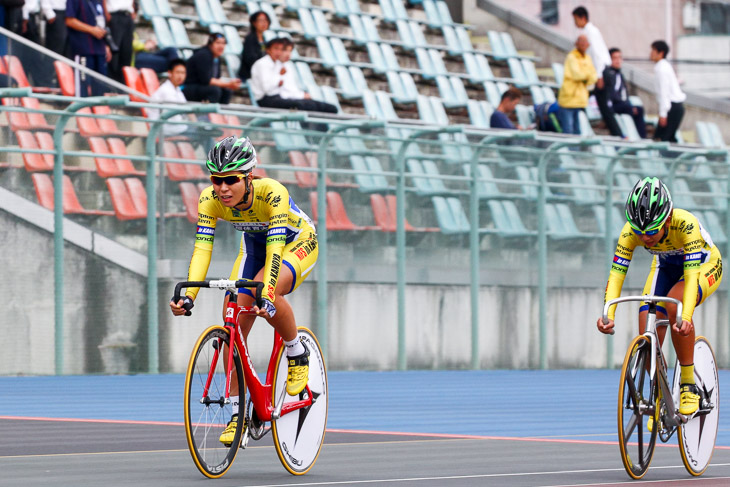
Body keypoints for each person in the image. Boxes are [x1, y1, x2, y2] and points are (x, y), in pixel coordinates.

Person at [169, 136, 318, 445]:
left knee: (267, 289)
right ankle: (239, 415)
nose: (222, 188)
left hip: (294, 245)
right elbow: (202, 249)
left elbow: (275, 248)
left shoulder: (273, 193)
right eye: (216, 179)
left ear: (249, 177)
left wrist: (267, 293)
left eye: (231, 180)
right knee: (231, 322)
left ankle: (296, 351)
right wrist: (188, 296)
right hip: (252, 251)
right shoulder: (209, 199)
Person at [597, 177, 722, 420]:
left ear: (668, 217)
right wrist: (607, 314)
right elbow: (616, 275)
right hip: (664, 266)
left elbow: (691, 273)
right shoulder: (630, 232)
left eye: (652, 231)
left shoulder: (685, 225)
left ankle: (688, 385)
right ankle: (661, 394)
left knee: (674, 308)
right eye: (639, 232)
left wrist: (685, 316)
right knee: (646, 327)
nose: (645, 238)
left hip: (702, 266)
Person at [250, 37, 338, 116]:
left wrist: (300, 95)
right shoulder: (262, 64)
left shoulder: (279, 65)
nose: (279, 52)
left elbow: (286, 90)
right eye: (276, 49)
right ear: (268, 50)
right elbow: (268, 89)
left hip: (280, 98)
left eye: (281, 49)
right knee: (302, 106)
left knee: (328, 108)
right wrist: (279, 75)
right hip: (266, 100)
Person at [572, 6, 622, 137]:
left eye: (576, 19)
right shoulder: (590, 32)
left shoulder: (591, 32)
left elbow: (597, 54)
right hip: (599, 73)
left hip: (601, 73)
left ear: (582, 18)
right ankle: (619, 135)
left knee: (581, 100)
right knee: (602, 107)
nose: (575, 23)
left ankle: (578, 129)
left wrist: (599, 76)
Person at [65, 0, 112, 97]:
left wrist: (106, 45)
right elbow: (69, 20)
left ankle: (99, 110)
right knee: (83, 87)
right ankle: (83, 111)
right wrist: (91, 30)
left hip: (99, 49)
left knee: (100, 87)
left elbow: (102, 24)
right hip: (83, 48)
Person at [183, 32, 240, 104]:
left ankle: (221, 114)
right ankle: (209, 114)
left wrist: (228, 85)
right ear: (210, 44)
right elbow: (207, 80)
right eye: (218, 43)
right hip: (188, 87)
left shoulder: (216, 58)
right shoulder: (204, 55)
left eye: (223, 43)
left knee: (226, 91)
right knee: (214, 90)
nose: (221, 46)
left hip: (201, 87)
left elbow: (216, 79)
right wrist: (229, 84)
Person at [557, 34, 596, 135]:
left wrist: (586, 76)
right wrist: (587, 75)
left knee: (577, 130)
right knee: (568, 130)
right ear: (576, 43)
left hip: (580, 100)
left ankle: (575, 150)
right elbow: (577, 74)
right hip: (568, 99)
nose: (583, 44)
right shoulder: (571, 57)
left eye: (585, 42)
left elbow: (594, 77)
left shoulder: (587, 58)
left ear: (588, 45)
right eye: (581, 42)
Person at [604, 47, 647, 138]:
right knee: (630, 108)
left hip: (623, 104)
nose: (618, 61)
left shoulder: (619, 74)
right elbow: (612, 94)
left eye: (619, 58)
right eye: (615, 58)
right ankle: (631, 137)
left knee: (638, 109)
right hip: (613, 106)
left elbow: (624, 93)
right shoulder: (608, 73)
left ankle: (641, 137)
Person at [651, 40, 686, 143]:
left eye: (653, 50)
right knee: (668, 138)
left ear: (660, 53)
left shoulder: (662, 68)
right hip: (673, 107)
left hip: (672, 108)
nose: (651, 53)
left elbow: (664, 92)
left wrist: (663, 114)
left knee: (662, 140)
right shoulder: (663, 66)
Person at [104, 0, 134, 84]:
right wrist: (106, 14)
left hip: (127, 15)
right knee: (114, 54)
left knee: (126, 53)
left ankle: (124, 86)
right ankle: (112, 86)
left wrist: (133, 10)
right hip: (114, 15)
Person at [239, 10, 269, 80]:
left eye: (266, 20)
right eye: (261, 21)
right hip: (250, 74)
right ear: (254, 23)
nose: (264, 23)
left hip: (260, 72)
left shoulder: (264, 39)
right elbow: (250, 59)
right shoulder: (250, 38)